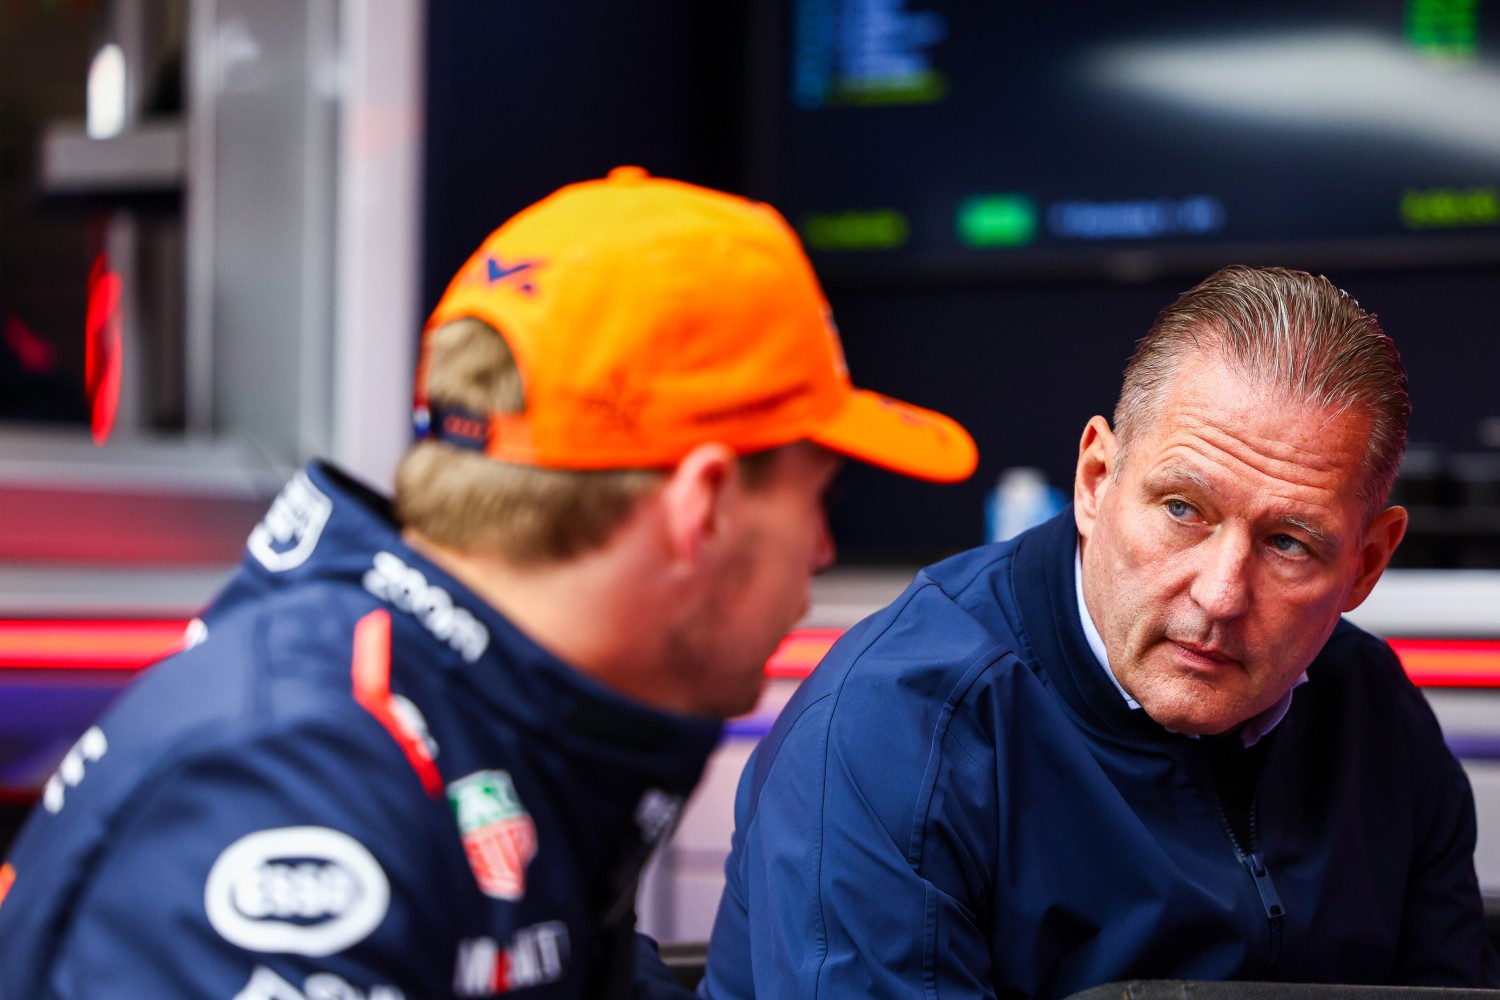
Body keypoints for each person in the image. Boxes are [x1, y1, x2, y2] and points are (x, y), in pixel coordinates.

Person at [0, 167, 977, 999]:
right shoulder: (302, 789)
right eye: (816, 495)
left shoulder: (492, 733)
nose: (819, 548)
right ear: (706, 505)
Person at [701, 265, 1500, 998]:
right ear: (1095, 482)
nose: (1220, 595)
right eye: (1183, 510)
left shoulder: (1377, 718)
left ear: (1366, 564)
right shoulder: (897, 734)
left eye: (1289, 543)